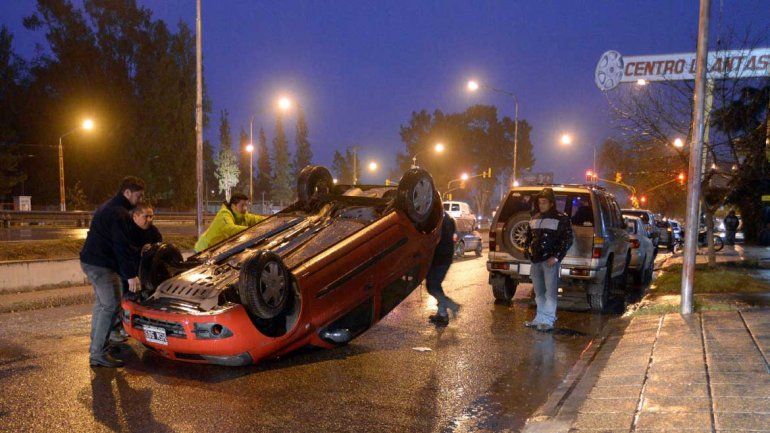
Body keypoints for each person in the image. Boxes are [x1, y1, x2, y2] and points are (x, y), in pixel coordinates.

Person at [80, 176, 145, 368]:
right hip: (101, 265)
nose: (139, 200)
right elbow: (120, 246)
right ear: (127, 192)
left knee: (102, 305)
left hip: (91, 261)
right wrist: (131, 274)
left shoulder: (109, 206)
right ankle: (98, 353)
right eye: (138, 196)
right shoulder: (119, 213)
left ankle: (97, 345)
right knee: (111, 306)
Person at [109, 202, 163, 343]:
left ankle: (130, 327)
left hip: (139, 272)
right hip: (121, 270)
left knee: (135, 300)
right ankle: (114, 330)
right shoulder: (126, 231)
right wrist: (130, 274)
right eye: (146, 216)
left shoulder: (153, 231)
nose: (150, 219)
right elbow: (122, 254)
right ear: (135, 216)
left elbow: (160, 247)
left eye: (152, 216)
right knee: (119, 299)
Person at [523, 188, 574, 332]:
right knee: (539, 292)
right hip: (536, 261)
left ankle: (549, 319)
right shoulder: (535, 218)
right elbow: (528, 237)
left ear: (551, 203)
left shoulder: (561, 218)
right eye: (540, 202)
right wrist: (527, 250)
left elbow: (567, 239)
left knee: (550, 292)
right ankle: (539, 318)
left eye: (544, 202)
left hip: (550, 261)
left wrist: (556, 256)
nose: (541, 205)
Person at [194, 193, 265, 252]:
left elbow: (257, 219)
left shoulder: (244, 216)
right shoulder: (224, 214)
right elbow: (230, 229)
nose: (245, 208)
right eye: (242, 205)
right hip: (204, 249)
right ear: (233, 205)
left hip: (217, 251)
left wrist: (274, 219)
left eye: (246, 205)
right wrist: (252, 230)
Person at [427, 211, 461, 327]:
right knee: (435, 286)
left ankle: (451, 305)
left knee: (432, 286)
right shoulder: (447, 217)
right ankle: (442, 314)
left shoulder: (436, 218)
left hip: (439, 258)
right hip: (444, 256)